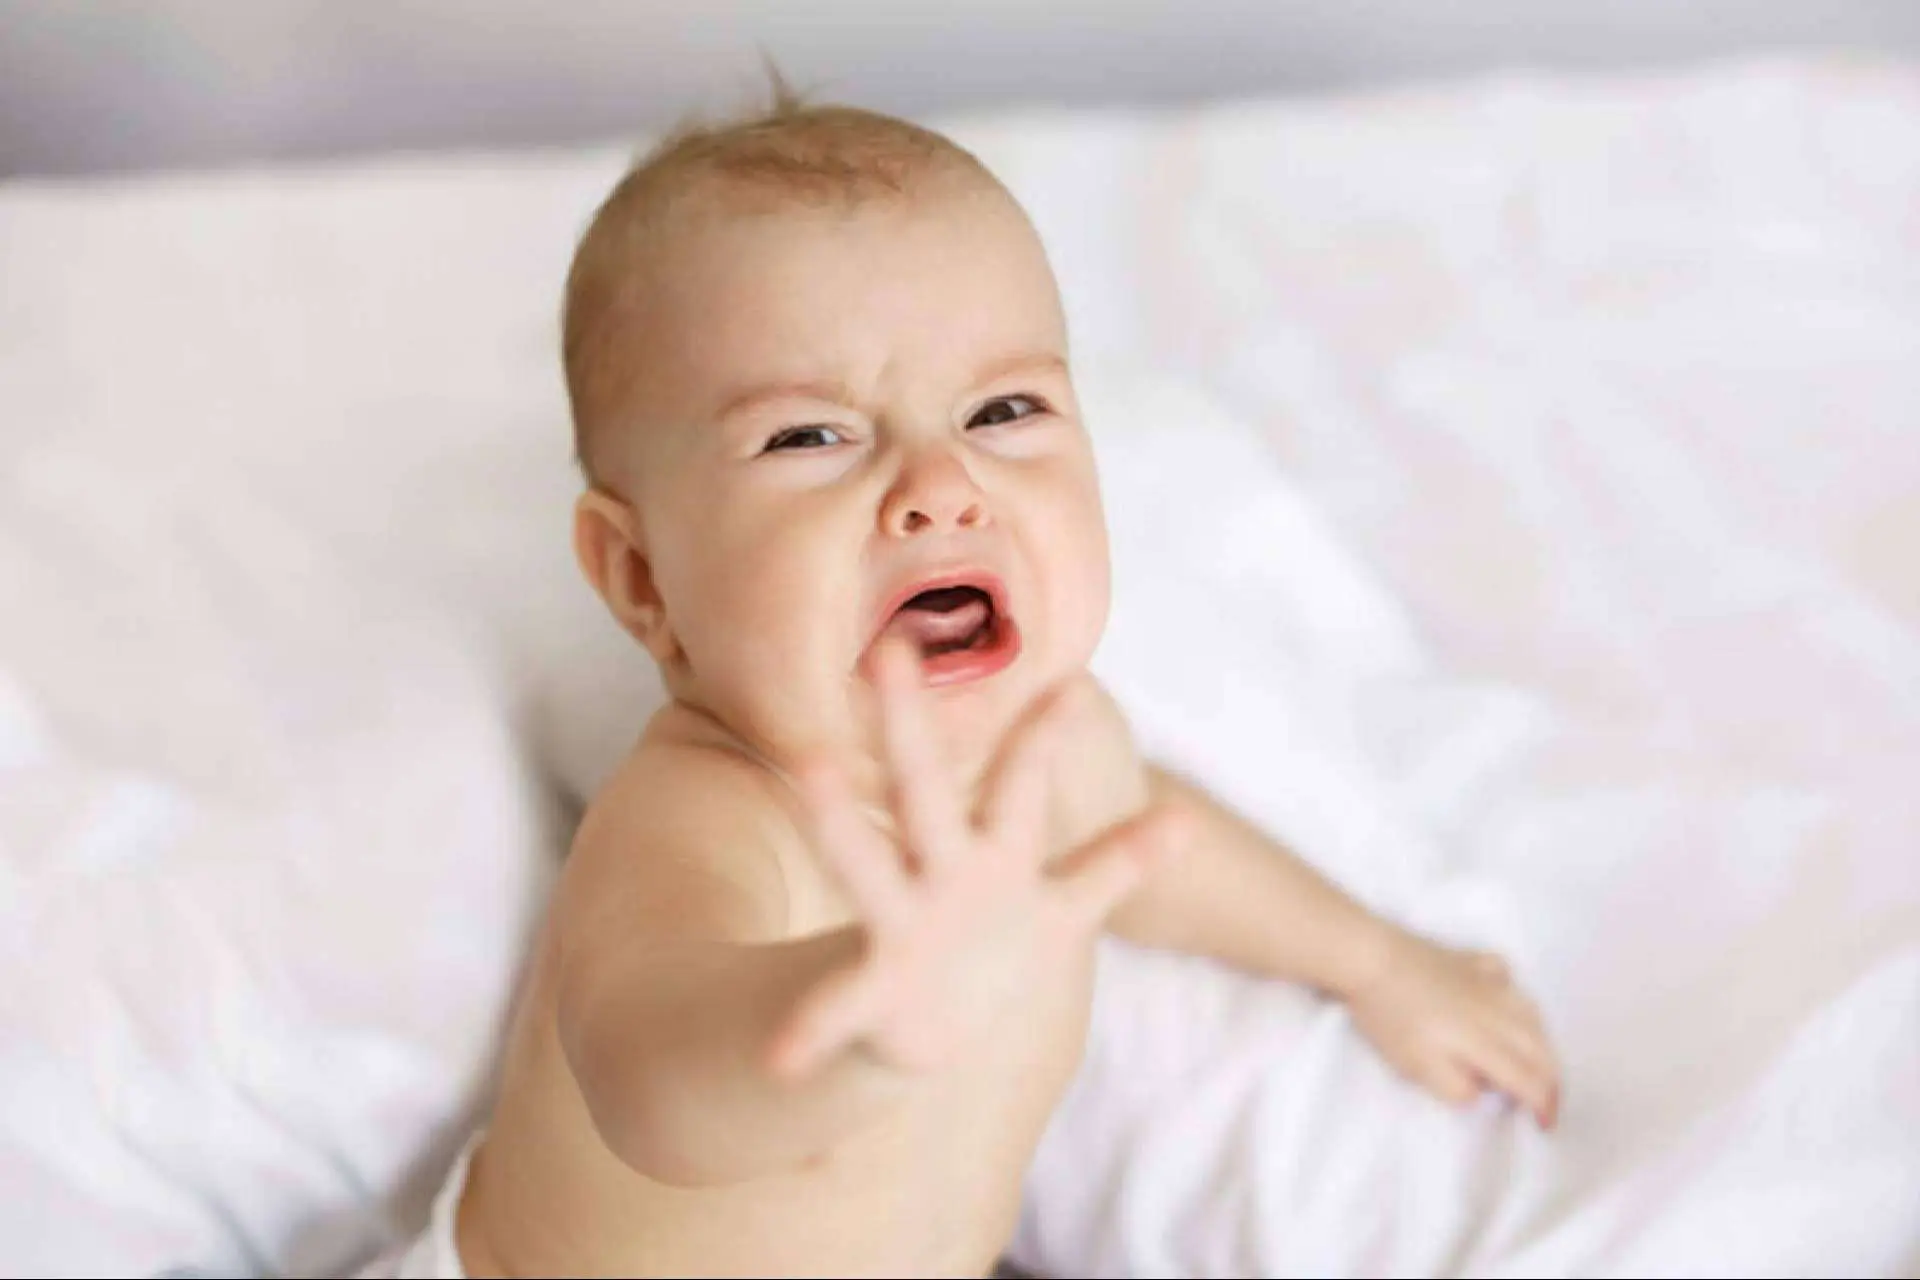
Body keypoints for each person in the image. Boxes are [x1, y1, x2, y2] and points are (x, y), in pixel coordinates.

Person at [366, 87, 1560, 1280]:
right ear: (642, 581)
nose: (940, 486)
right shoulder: (713, 817)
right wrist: (864, 1014)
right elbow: (646, 1073)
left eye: (1003, 410)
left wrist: (1375, 961)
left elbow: (1150, 850)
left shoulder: (1054, 744)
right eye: (810, 435)